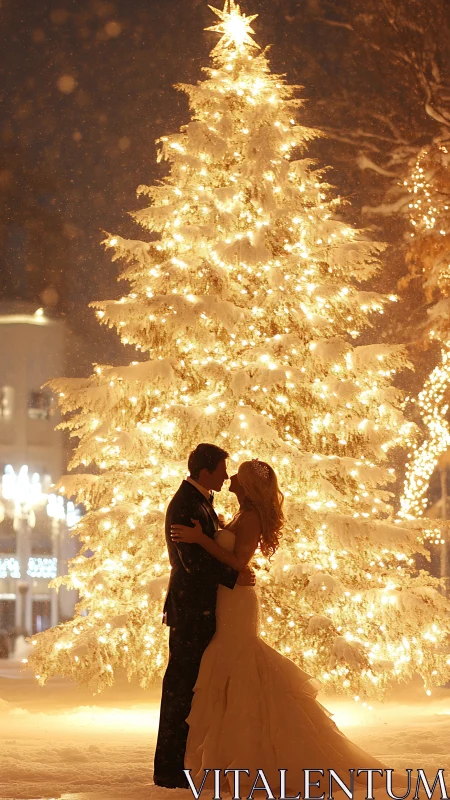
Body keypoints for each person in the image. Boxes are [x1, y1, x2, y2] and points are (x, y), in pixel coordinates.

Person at [171, 458, 408, 796]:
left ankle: (250, 757)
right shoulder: (242, 515)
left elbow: (239, 563)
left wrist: (200, 538)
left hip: (237, 599)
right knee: (231, 665)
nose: (231, 477)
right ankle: (231, 758)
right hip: (228, 598)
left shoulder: (251, 518)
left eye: (237, 474)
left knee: (238, 663)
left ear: (249, 485)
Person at [153, 443, 256, 789]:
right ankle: (169, 769)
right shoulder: (186, 504)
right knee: (181, 687)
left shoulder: (200, 501)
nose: (227, 476)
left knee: (192, 687)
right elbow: (191, 562)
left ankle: (183, 762)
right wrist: (233, 576)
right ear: (205, 472)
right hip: (191, 609)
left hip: (201, 609)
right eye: (222, 469)